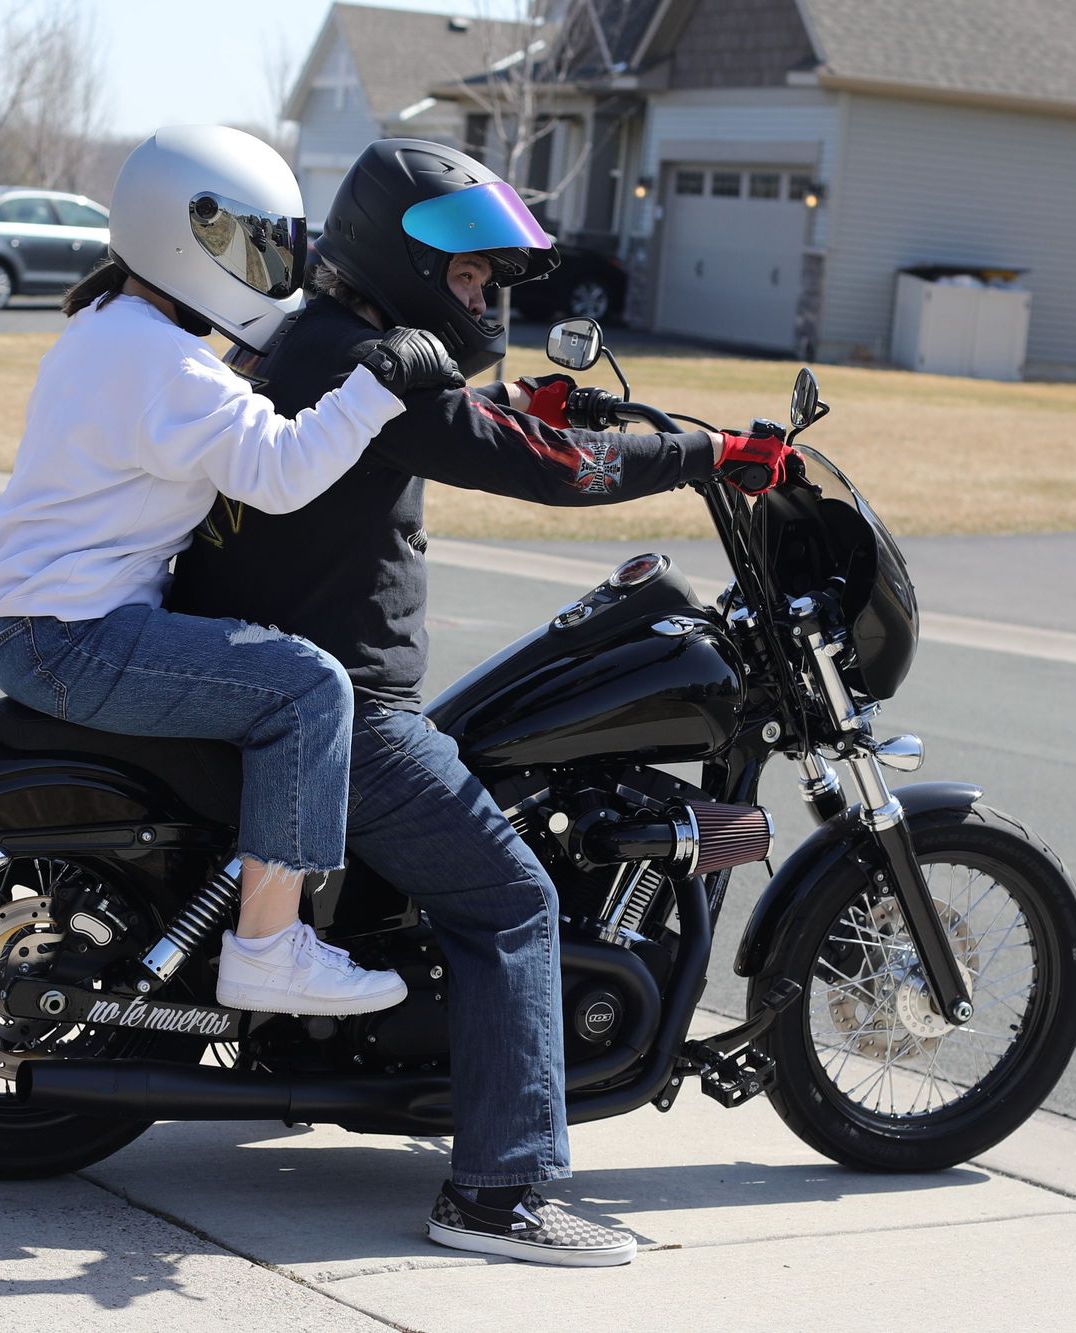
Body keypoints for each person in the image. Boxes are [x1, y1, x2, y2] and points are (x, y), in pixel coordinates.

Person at [167, 138, 792, 1265]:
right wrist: (705, 451)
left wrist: (514, 400)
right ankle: (499, 1192)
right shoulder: (373, 367)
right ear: (401, 261)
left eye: (486, 278)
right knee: (510, 899)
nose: (478, 297)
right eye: (463, 275)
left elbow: (468, 424)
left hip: (274, 674)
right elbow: (551, 468)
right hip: (346, 706)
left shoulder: (318, 344)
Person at [0, 126, 467, 1017]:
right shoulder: (164, 363)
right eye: (249, 245)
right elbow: (281, 471)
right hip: (74, 635)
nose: (269, 268)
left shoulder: (112, 328)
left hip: (38, 627)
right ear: (184, 235)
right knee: (307, 689)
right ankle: (269, 948)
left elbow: (221, 414)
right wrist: (380, 380)